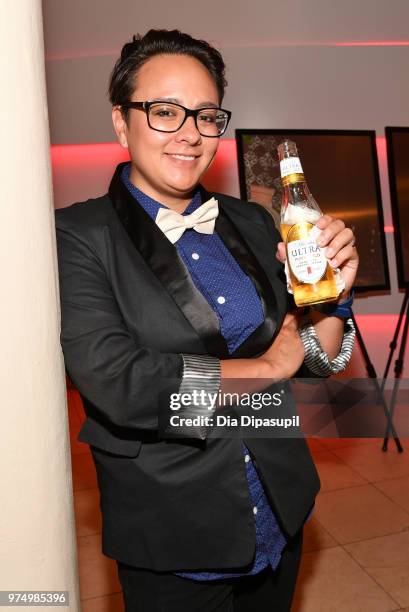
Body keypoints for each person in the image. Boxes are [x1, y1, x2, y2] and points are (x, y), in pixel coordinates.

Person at [55, 29, 359, 612]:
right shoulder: (77, 236)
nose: (190, 134)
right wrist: (267, 366)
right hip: (175, 531)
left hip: (279, 506)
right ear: (121, 122)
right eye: (165, 112)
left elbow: (315, 361)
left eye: (205, 115)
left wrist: (329, 299)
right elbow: (124, 385)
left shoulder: (251, 219)